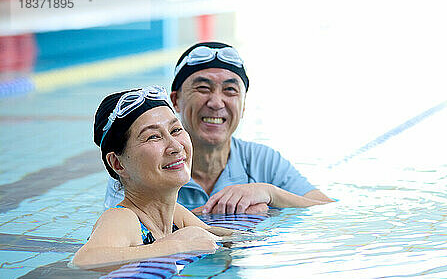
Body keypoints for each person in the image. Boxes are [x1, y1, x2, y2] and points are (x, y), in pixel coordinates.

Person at [104, 42, 333, 214]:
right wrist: (229, 217)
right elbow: (125, 240)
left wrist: (269, 193)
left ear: (243, 107)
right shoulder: (143, 168)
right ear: (175, 101)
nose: (216, 102)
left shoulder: (261, 161)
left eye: (230, 91)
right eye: (203, 88)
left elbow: (329, 212)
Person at [73, 86, 225, 267]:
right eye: (153, 137)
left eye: (176, 130)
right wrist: (177, 246)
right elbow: (84, 260)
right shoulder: (123, 219)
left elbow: (222, 238)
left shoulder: (175, 214)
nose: (176, 146)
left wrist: (267, 193)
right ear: (118, 164)